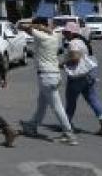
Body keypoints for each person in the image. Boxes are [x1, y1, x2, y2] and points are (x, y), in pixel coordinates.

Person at [19, 17, 78, 145]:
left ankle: (69, 134)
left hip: (46, 76)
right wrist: (42, 26)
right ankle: (32, 126)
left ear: (40, 25)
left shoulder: (42, 37)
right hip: (54, 75)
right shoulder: (56, 36)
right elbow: (48, 30)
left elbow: (23, 27)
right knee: (41, 103)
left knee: (57, 106)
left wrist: (36, 26)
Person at [62, 22, 102, 137]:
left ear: (71, 33)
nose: (64, 34)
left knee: (71, 101)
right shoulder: (83, 41)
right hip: (89, 75)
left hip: (77, 77)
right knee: (93, 99)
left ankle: (67, 125)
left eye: (66, 32)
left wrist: (62, 63)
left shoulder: (73, 43)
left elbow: (75, 57)